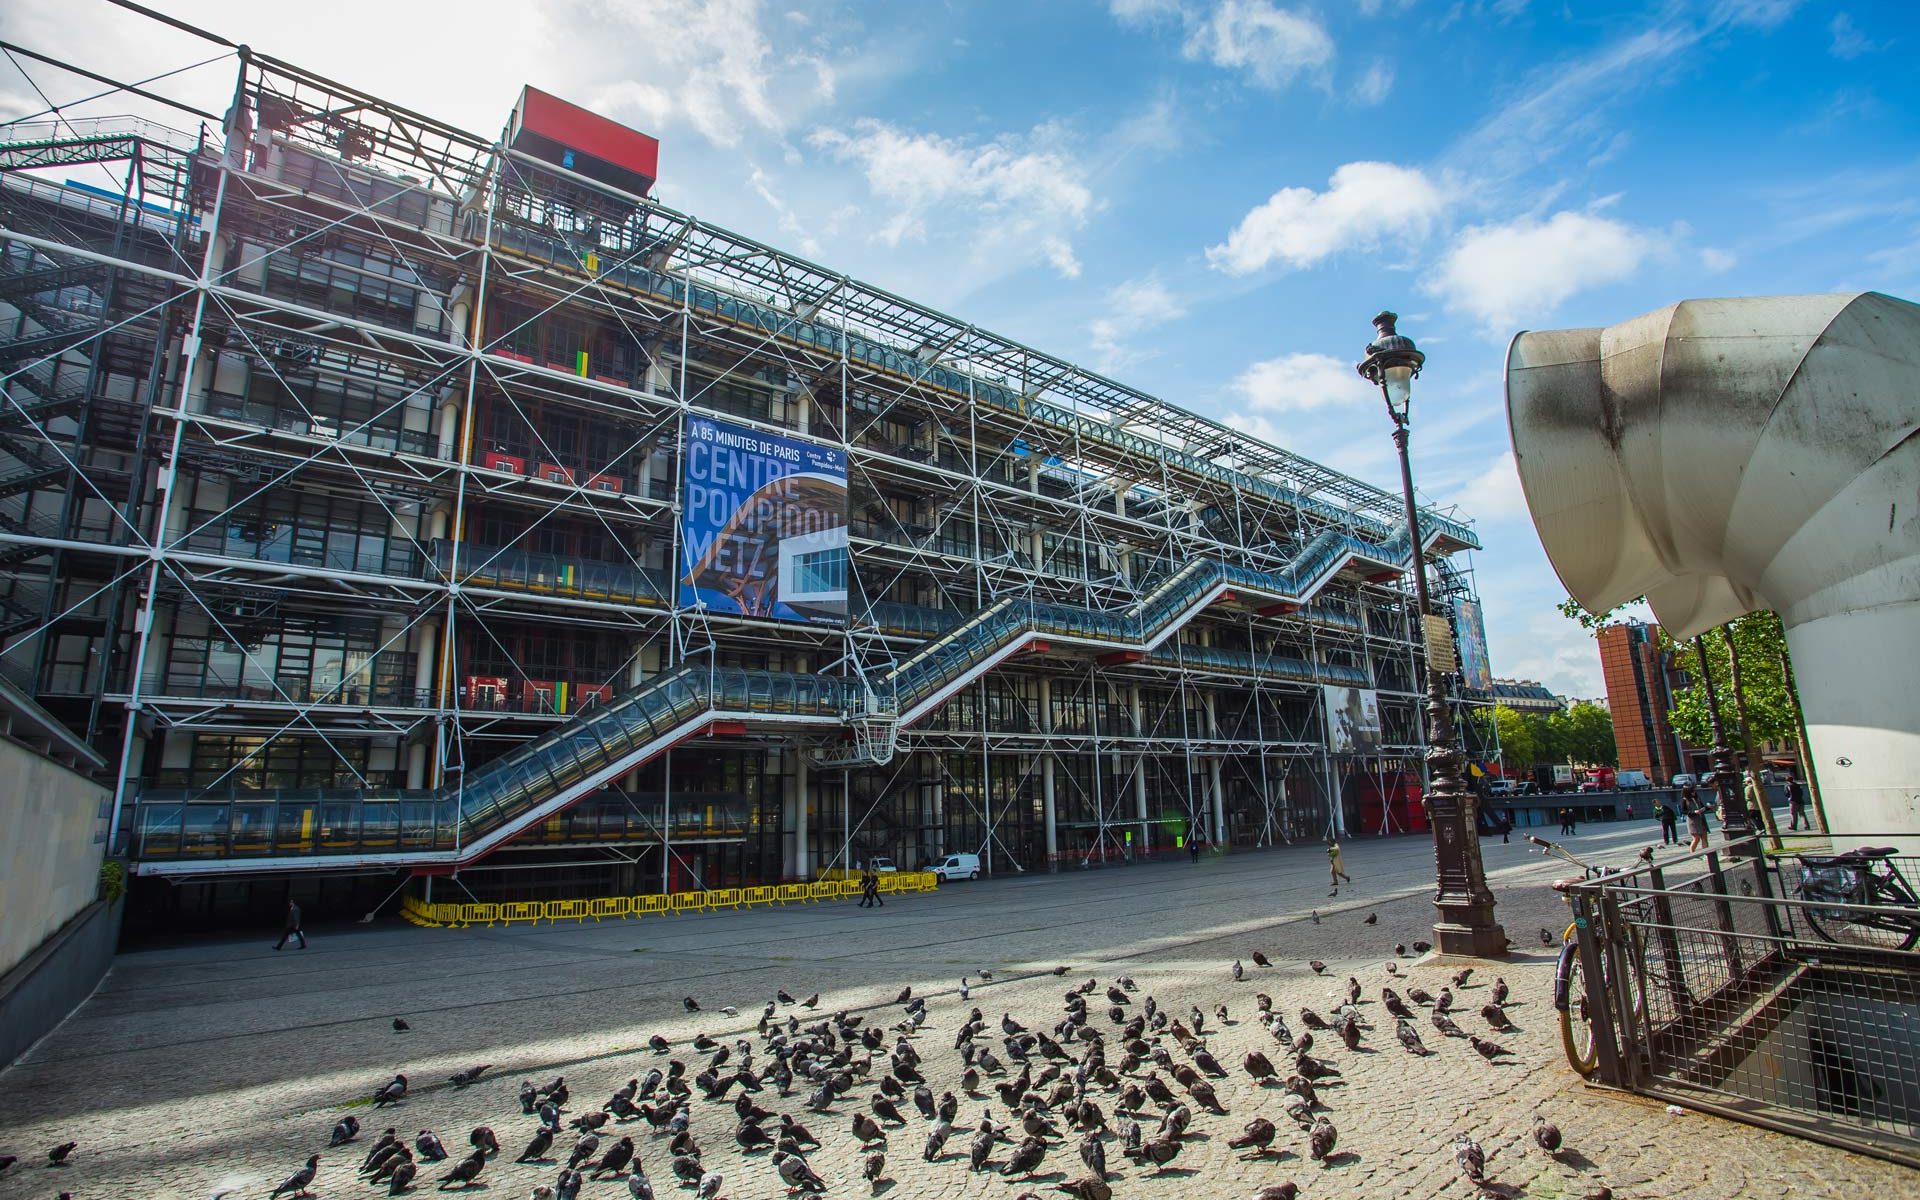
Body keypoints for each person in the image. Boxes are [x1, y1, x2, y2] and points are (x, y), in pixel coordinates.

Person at [1683, 785, 1711, 852]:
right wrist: (1693, 812)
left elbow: (1702, 807)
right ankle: (1692, 853)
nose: (1694, 793)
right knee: (1696, 838)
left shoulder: (1697, 798)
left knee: (1704, 838)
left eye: (1694, 791)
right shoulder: (1684, 800)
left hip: (1701, 819)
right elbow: (1684, 811)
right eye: (1692, 791)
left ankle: (1706, 854)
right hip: (1693, 821)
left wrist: (1707, 807)